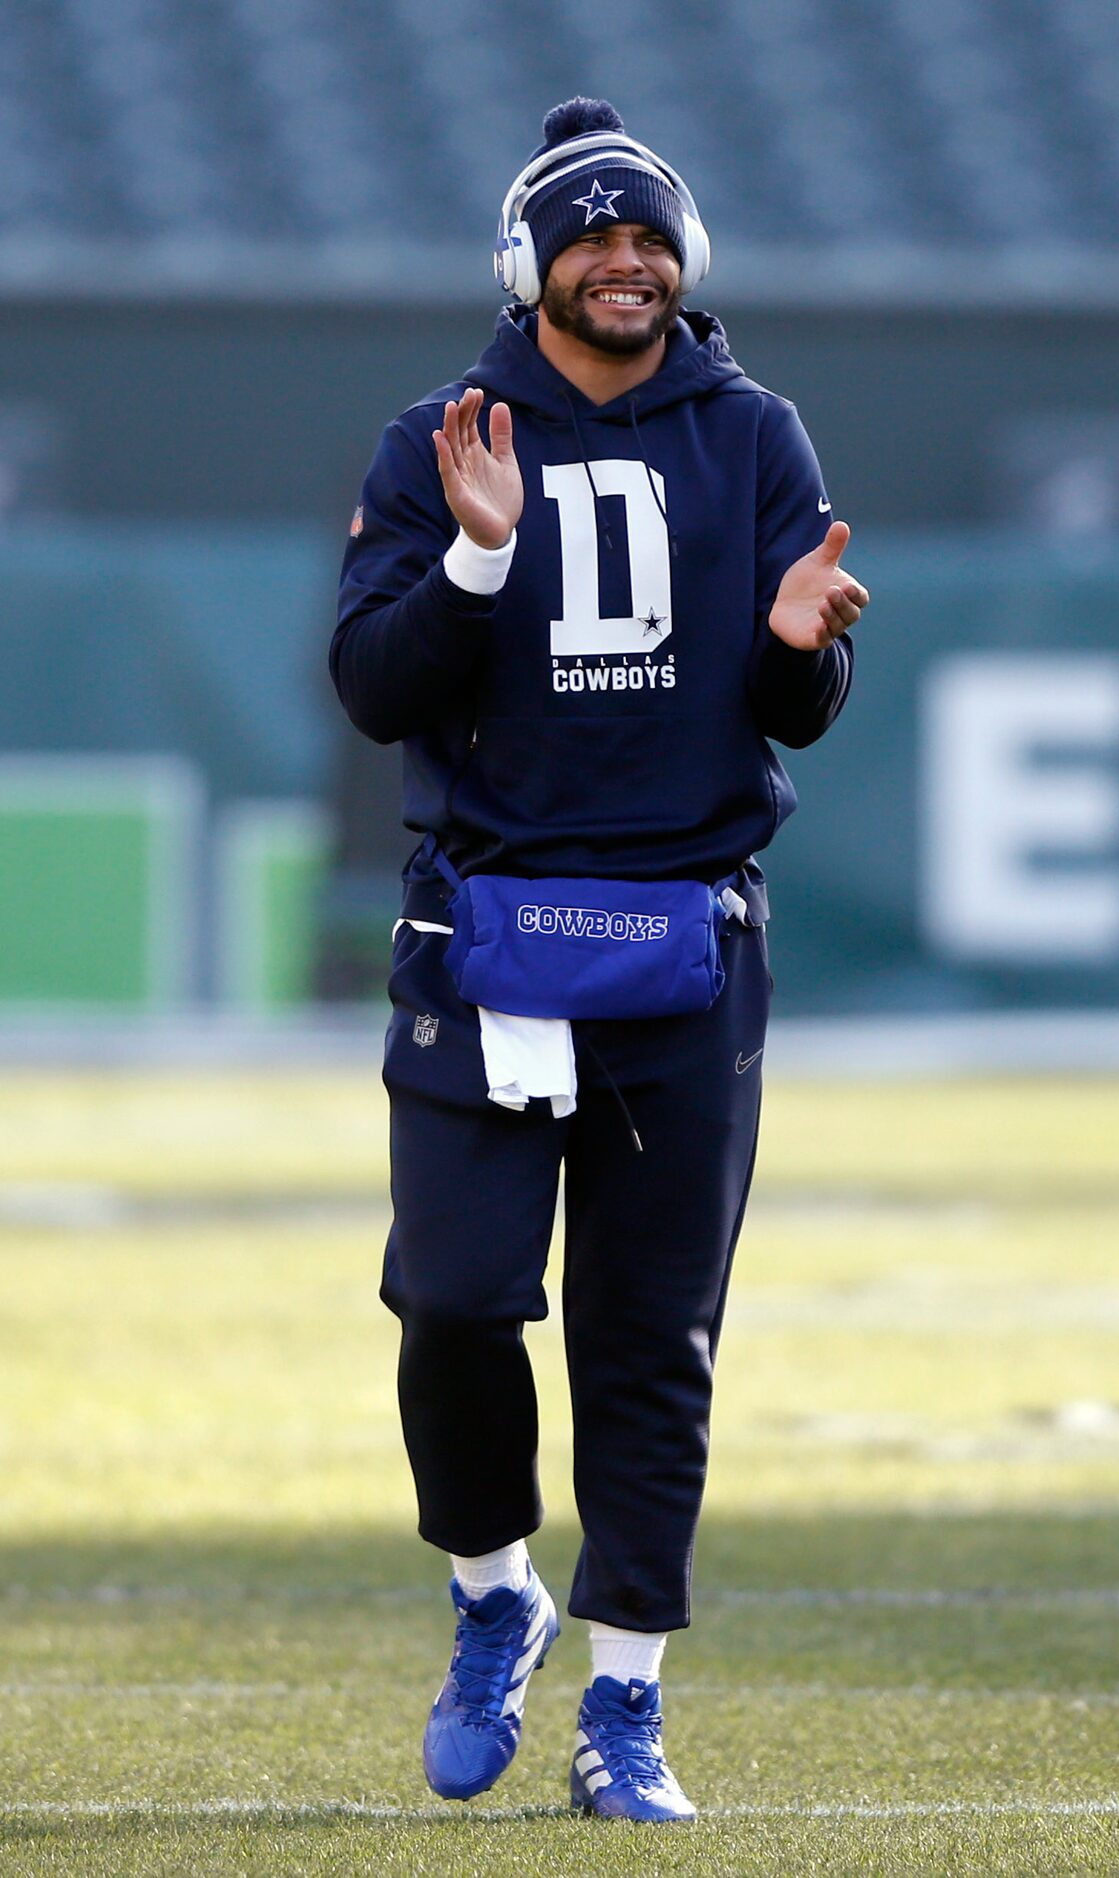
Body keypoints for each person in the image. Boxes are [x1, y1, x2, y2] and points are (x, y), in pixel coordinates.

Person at [330, 96, 867, 1822]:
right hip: (485, 933)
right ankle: (497, 1588)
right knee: (455, 1303)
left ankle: (625, 1701)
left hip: (682, 939)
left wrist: (800, 656)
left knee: (655, 1337)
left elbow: (798, 702)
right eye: (592, 236)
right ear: (531, 263)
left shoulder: (756, 432)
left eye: (649, 236)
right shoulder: (441, 433)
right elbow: (375, 689)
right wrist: (480, 551)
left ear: (683, 258)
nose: (625, 260)